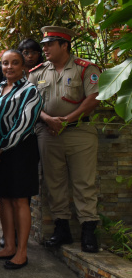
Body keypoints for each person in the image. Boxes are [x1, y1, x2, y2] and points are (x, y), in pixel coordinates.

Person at [29, 26, 101, 253]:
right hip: (48, 134)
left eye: (50, 44)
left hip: (79, 132)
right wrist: (48, 119)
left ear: (64, 45)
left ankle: (89, 230)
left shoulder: (85, 68)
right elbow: (29, 103)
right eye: (44, 45)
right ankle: (62, 229)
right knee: (54, 182)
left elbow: (94, 98)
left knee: (84, 182)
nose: (45, 49)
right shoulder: (38, 72)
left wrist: (66, 120)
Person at [0, 50, 42, 269]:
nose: (9, 67)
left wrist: (2, 147)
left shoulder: (30, 90)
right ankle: (8, 246)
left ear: (23, 66)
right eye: (5, 63)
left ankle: (22, 252)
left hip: (20, 152)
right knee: (5, 199)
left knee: (20, 200)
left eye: (14, 63)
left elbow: (25, 124)